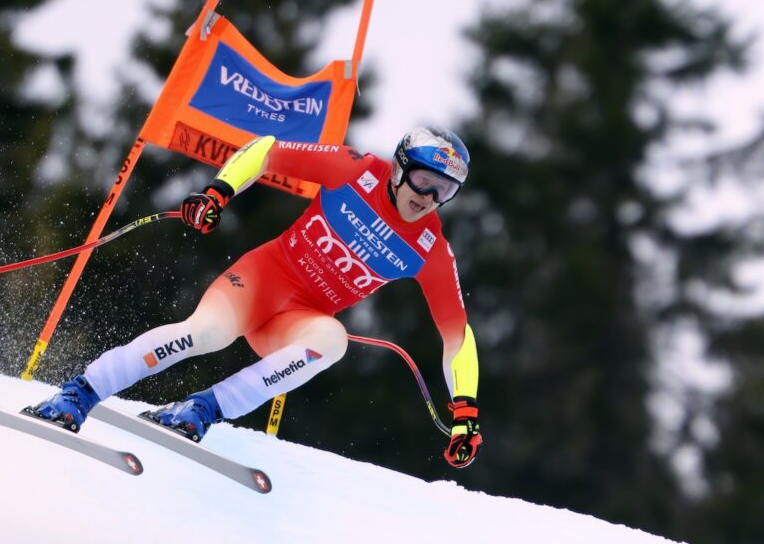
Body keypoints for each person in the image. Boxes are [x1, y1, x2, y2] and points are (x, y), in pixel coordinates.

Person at [27, 126, 482, 468]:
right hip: (261, 282)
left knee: (333, 341)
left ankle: (202, 408)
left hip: (297, 320)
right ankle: (79, 394)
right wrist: (218, 192)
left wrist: (465, 410)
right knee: (205, 334)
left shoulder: (431, 249)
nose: (429, 197)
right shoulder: (357, 171)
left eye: (444, 190)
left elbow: (456, 336)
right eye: (423, 180)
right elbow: (266, 150)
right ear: (400, 168)